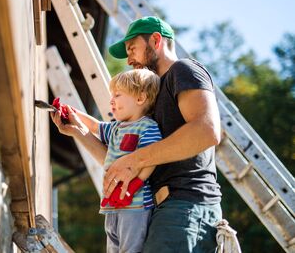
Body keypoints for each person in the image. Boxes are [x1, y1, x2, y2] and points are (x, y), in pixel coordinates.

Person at [53, 16, 222, 253]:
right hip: (157, 210)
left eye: (132, 48)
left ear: (155, 40)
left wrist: (133, 161)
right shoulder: (149, 101)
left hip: (186, 205)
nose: (130, 59)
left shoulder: (183, 70)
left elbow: (207, 131)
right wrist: (78, 131)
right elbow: (119, 163)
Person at [53, 69, 162, 253]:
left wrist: (137, 182)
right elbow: (95, 126)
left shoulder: (147, 127)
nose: (111, 100)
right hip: (111, 204)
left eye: (118, 95)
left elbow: (151, 159)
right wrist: (73, 114)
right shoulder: (116, 128)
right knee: (113, 246)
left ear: (140, 98)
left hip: (135, 204)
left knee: (131, 248)